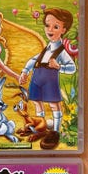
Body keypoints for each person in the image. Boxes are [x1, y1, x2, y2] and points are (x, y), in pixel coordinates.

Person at [19, 8, 76, 148]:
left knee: (54, 104)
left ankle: (55, 132)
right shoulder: (47, 48)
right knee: (37, 102)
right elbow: (34, 59)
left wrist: (59, 67)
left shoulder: (61, 51)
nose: (50, 29)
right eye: (47, 25)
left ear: (63, 30)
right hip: (37, 79)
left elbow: (72, 68)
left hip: (50, 81)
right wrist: (25, 71)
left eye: (55, 27)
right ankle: (41, 127)